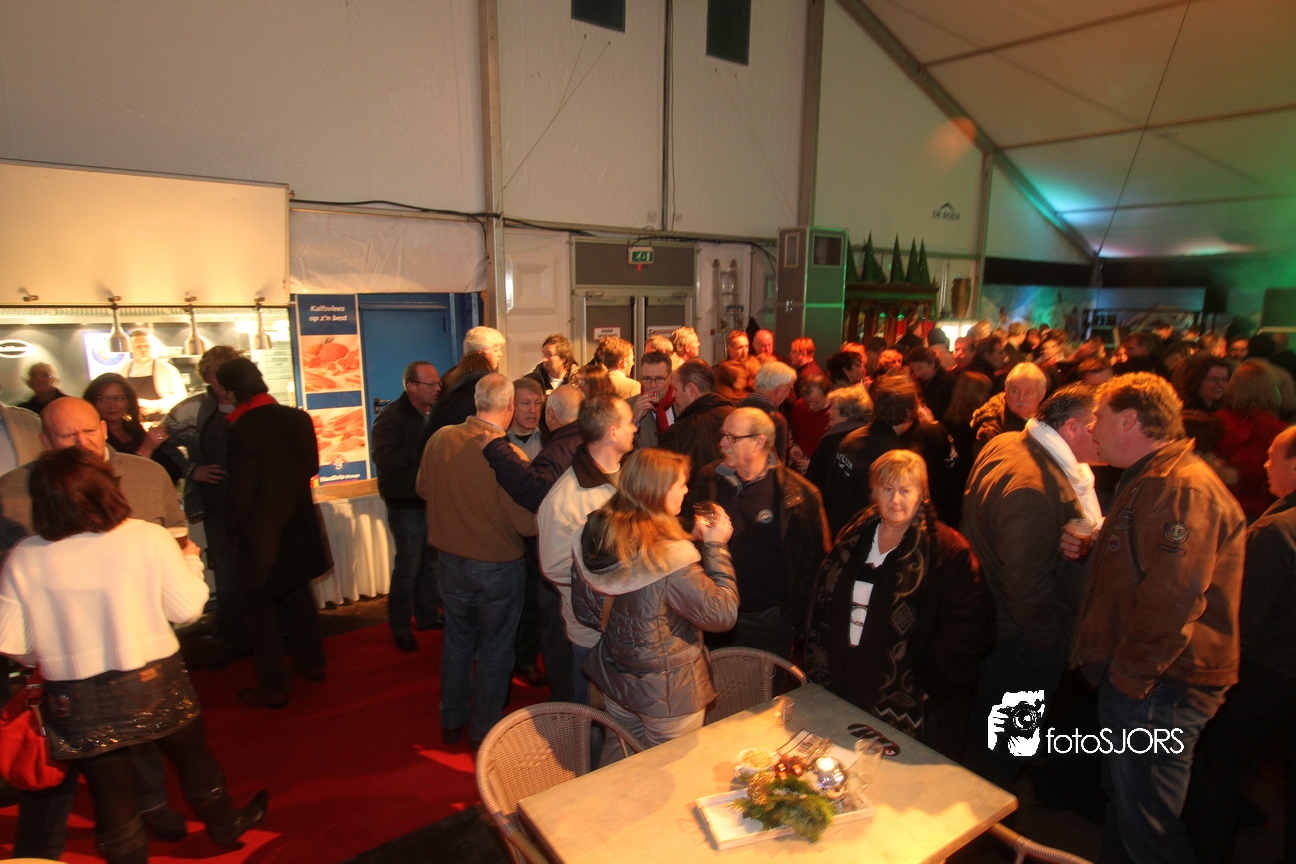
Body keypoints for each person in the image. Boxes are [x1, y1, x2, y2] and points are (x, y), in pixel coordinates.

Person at [0, 447, 267, 864]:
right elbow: (186, 610)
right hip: (154, 678)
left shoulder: (26, 556)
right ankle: (226, 824)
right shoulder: (146, 537)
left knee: (111, 795)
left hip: (76, 695)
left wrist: (56, 652)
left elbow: (13, 643)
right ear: (105, 487)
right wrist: (192, 563)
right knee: (195, 761)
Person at [0, 396, 190, 857]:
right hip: (60, 663)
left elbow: (177, 538)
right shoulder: (13, 489)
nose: (82, 443)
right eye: (68, 436)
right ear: (45, 441)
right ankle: (41, 850)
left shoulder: (146, 475)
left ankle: (152, 806)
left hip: (139, 650)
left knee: (143, 746)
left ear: (105, 428)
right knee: (53, 760)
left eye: (89, 431)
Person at [1070, 372, 1245, 864]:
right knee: (1129, 812)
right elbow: (1148, 569)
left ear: (1130, 420)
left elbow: (1174, 598)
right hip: (1152, 680)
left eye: (1099, 417)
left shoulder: (1179, 487)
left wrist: (1128, 679)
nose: (1091, 427)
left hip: (1162, 685)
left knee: (1149, 830)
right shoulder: (1153, 477)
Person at [803, 449, 993, 759]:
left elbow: (967, 628)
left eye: (905, 490)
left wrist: (931, 682)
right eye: (887, 489)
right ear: (874, 492)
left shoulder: (947, 550)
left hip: (911, 695)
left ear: (922, 494)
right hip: (846, 680)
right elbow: (825, 600)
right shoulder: (854, 535)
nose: (895, 499)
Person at [960, 384, 1102, 788]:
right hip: (1021, 642)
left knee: (988, 737)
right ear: (1072, 427)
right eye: (1098, 425)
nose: (1105, 435)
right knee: (1003, 753)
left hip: (999, 628)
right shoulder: (1033, 487)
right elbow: (1025, 584)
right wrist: (1048, 644)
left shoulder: (1010, 442)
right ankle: (990, 811)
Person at [571, 448, 738, 760]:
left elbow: (585, 611)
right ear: (659, 491)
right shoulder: (671, 561)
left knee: (619, 766)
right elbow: (722, 615)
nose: (686, 490)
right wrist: (716, 547)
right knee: (669, 772)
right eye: (680, 484)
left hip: (617, 680)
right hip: (667, 693)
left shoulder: (597, 535)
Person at [1186, 425, 1296, 864]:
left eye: (1273, 456)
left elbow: (1244, 622)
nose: (1265, 465)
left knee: (1218, 775)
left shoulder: (1276, 532)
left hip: (1265, 682)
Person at [418, 373, 537, 747]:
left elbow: (422, 487)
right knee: (496, 649)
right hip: (498, 567)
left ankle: (451, 720)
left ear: (476, 401)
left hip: (449, 562)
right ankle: (484, 731)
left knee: (457, 642)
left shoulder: (441, 439)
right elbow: (526, 523)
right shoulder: (509, 455)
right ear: (510, 406)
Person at [219, 358, 330, 709]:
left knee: (258, 610)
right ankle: (312, 663)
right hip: (297, 522)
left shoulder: (241, 428)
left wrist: (231, 529)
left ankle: (273, 687)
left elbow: (240, 492)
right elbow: (311, 466)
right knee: (299, 596)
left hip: (260, 532)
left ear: (230, 391)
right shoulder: (298, 418)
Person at [695, 408, 829, 660]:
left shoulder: (798, 494)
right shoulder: (708, 480)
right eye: (722, 436)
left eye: (732, 438)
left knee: (766, 686)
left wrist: (789, 615)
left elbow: (815, 562)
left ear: (759, 442)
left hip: (768, 623)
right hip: (713, 615)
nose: (722, 443)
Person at [536, 393, 636, 703]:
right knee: (593, 715)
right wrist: (612, 587)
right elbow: (554, 568)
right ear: (612, 432)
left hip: (631, 626)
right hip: (594, 634)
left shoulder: (629, 477)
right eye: (630, 422)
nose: (635, 427)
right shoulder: (565, 499)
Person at [165, 345, 247, 667]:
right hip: (218, 506)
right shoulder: (191, 410)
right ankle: (234, 638)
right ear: (206, 376)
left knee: (259, 570)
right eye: (216, 373)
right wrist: (191, 470)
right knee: (227, 574)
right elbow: (161, 442)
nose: (223, 381)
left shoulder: (252, 404)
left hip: (255, 505)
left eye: (228, 371)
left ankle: (266, 635)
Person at [372, 361, 443, 652]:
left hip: (430, 501)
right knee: (409, 567)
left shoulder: (435, 413)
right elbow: (385, 460)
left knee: (430, 565)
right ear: (411, 386)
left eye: (438, 383)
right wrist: (425, 448)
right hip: (405, 503)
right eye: (431, 384)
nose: (438, 388)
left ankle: (427, 615)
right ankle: (400, 625)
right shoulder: (390, 418)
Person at [1214, 360, 1289, 520]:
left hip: (1221, 508)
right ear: (1271, 389)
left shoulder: (1216, 423)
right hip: (1263, 512)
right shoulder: (1279, 432)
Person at [660, 358, 734, 513]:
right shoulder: (738, 418)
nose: (673, 395)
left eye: (676, 389)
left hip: (692, 516)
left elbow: (663, 484)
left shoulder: (678, 433)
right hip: (733, 510)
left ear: (691, 389)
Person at [84, 373, 185, 482]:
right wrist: (146, 449)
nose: (111, 405)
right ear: (92, 403)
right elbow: (120, 481)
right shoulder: (91, 437)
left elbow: (173, 472)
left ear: (129, 402)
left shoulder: (133, 429)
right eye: (102, 399)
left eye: (118, 399)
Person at [970, 361, 1048, 458]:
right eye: (1014, 391)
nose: (1020, 398)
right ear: (1006, 391)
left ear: (1042, 394)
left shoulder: (1049, 424)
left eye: (1028, 392)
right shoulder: (991, 431)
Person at [805, 384, 872, 492]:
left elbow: (816, 479)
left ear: (847, 413)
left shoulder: (832, 442)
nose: (828, 412)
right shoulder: (869, 436)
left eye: (833, 408)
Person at [121, 330, 187, 420]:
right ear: (131, 348)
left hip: (160, 420)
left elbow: (180, 396)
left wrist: (156, 406)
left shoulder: (167, 369)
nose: (143, 349)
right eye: (138, 346)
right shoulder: (122, 370)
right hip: (132, 422)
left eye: (146, 346)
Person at [629, 350, 675, 449]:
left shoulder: (681, 404)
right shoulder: (628, 407)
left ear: (670, 378)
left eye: (659, 379)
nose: (652, 385)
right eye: (647, 379)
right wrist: (634, 420)